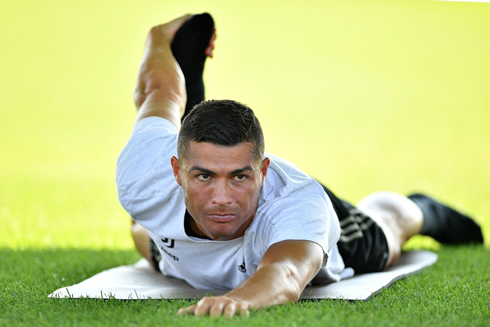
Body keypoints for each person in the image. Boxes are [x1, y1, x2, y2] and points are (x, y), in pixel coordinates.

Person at [116, 13, 484, 318]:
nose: (222, 198)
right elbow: (159, 91)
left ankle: (425, 208)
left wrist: (240, 298)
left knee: (387, 226)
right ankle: (197, 94)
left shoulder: (298, 207)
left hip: (316, 228)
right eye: (204, 176)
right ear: (176, 171)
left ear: (262, 172)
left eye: (240, 177)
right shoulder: (144, 172)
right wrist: (158, 39)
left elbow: (286, 273)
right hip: (180, 240)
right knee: (142, 228)